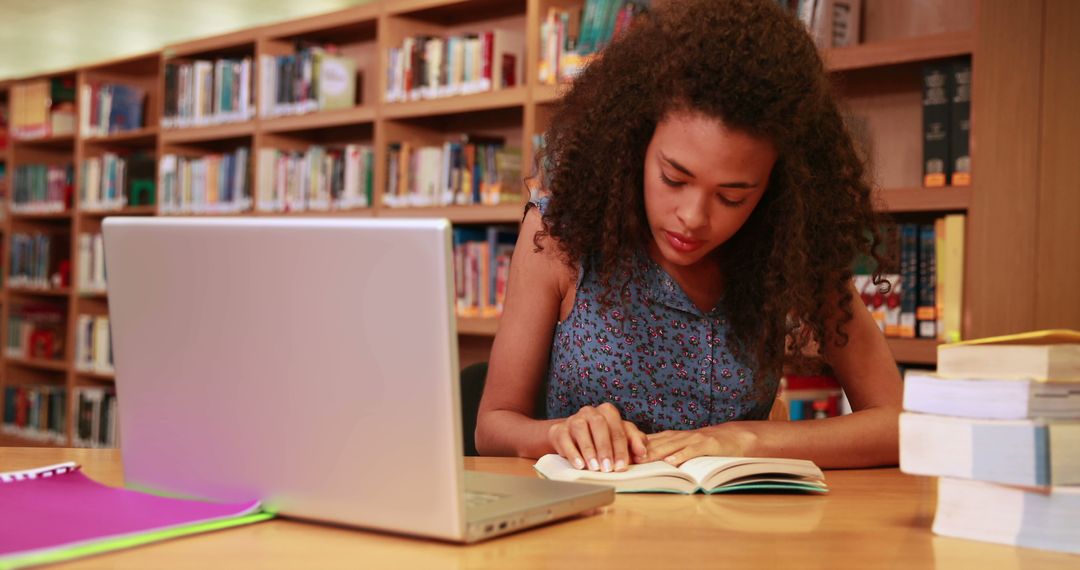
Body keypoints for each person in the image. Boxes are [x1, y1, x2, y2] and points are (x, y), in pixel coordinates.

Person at [475, 0, 902, 472]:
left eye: (733, 197)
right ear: (636, 144)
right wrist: (558, 432)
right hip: (591, 528)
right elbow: (493, 426)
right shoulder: (564, 231)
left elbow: (898, 424)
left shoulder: (784, 246)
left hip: (735, 529)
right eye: (674, 179)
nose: (693, 218)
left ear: (777, 189)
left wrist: (749, 441)